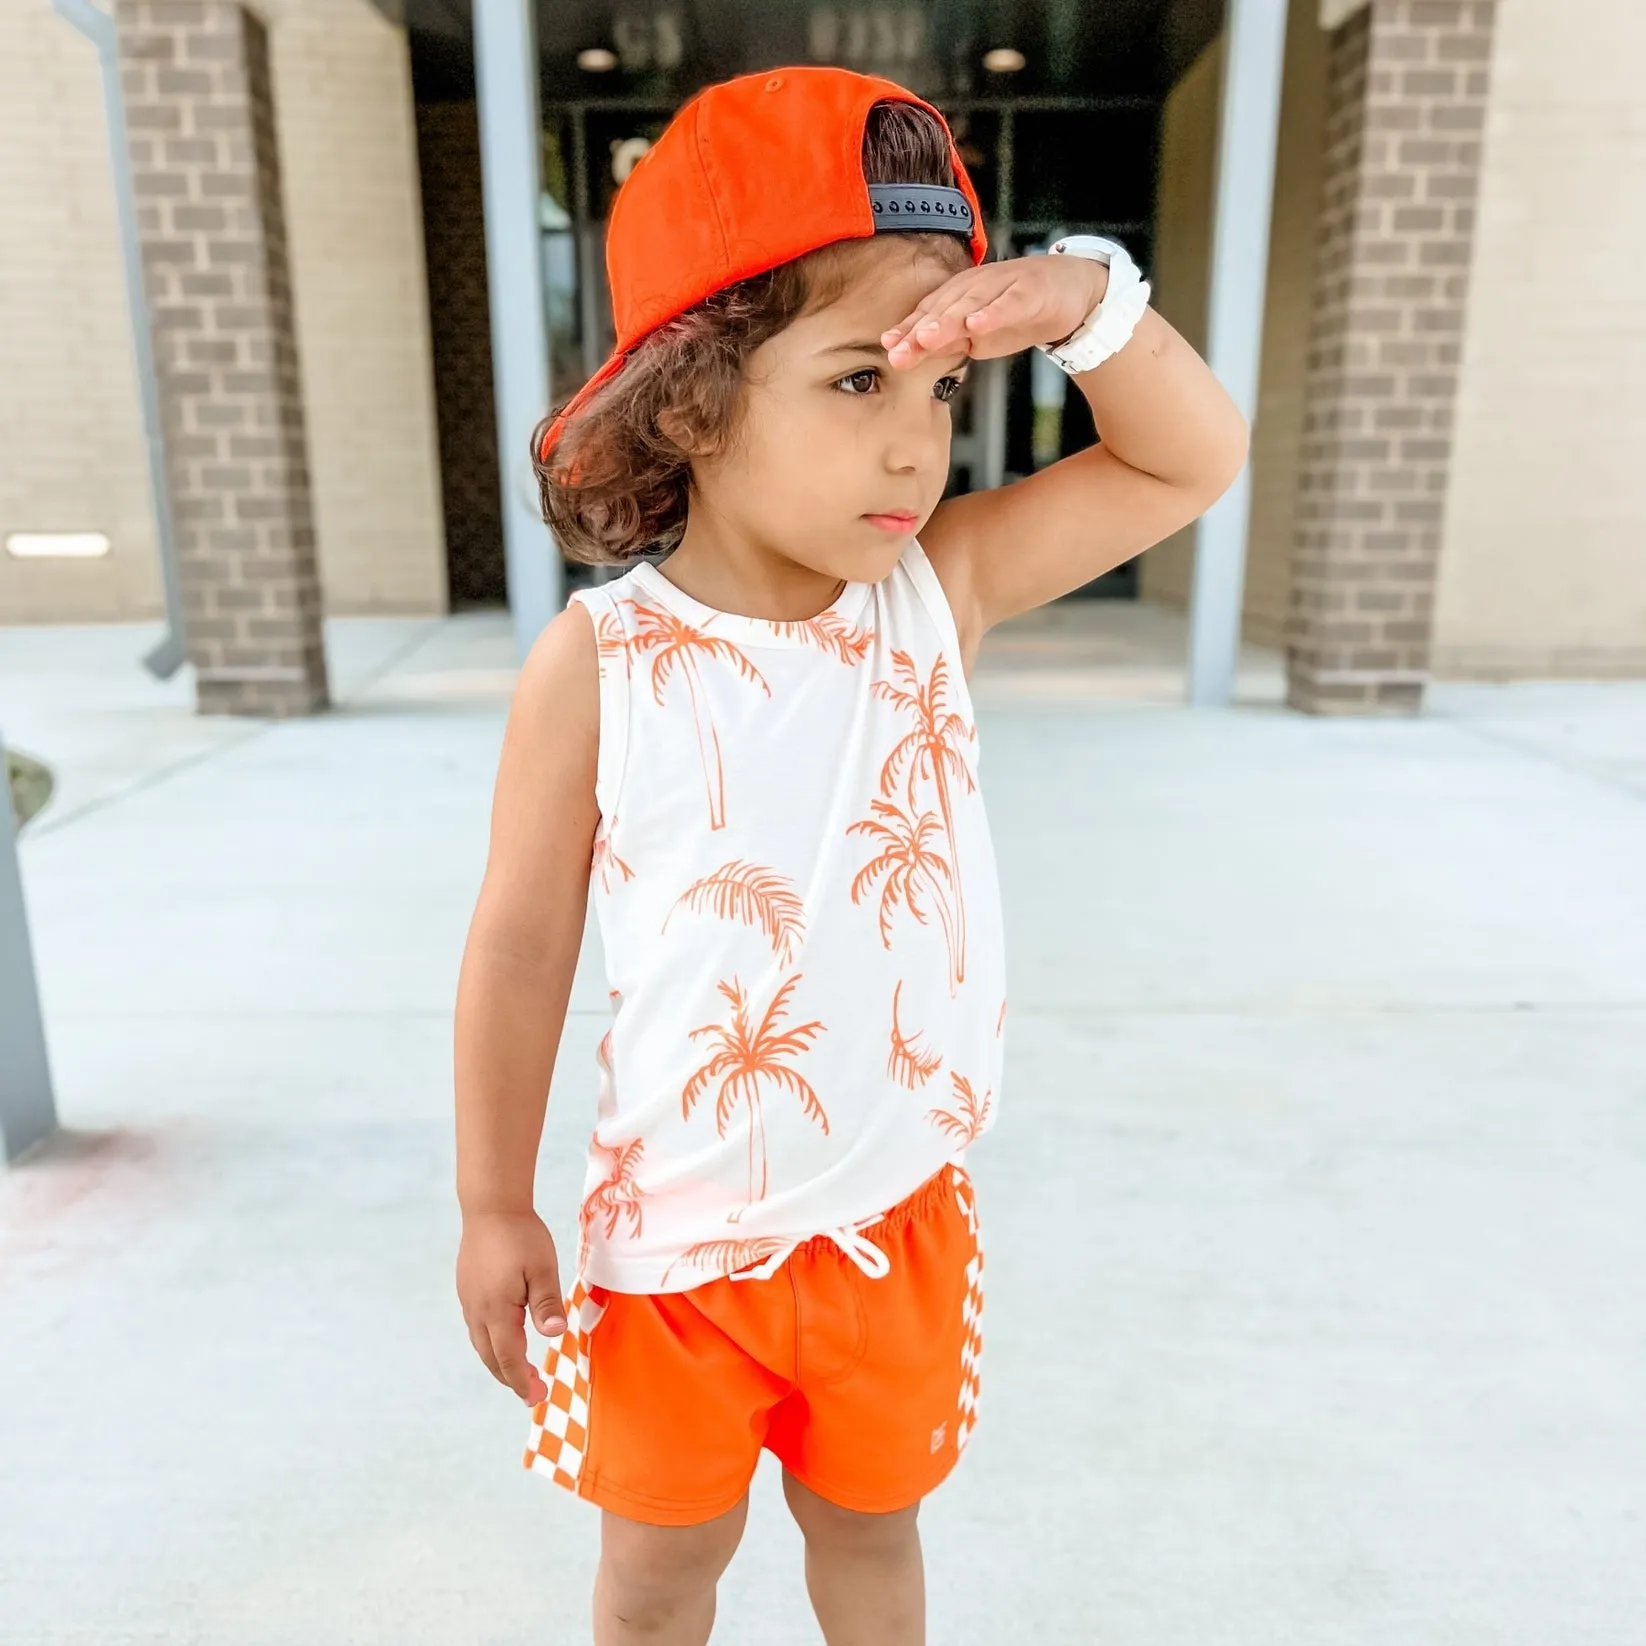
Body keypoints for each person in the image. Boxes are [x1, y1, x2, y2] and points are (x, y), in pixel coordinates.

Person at [454, 66, 1246, 1646]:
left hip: (890, 1214)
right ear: (688, 398)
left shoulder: (930, 599)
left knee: (869, 1536)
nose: (916, 449)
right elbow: (522, 940)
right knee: (659, 1570)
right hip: (673, 1247)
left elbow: (1186, 460)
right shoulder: (601, 660)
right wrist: (492, 1200)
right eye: (855, 384)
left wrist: (1089, 306)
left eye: (939, 392)